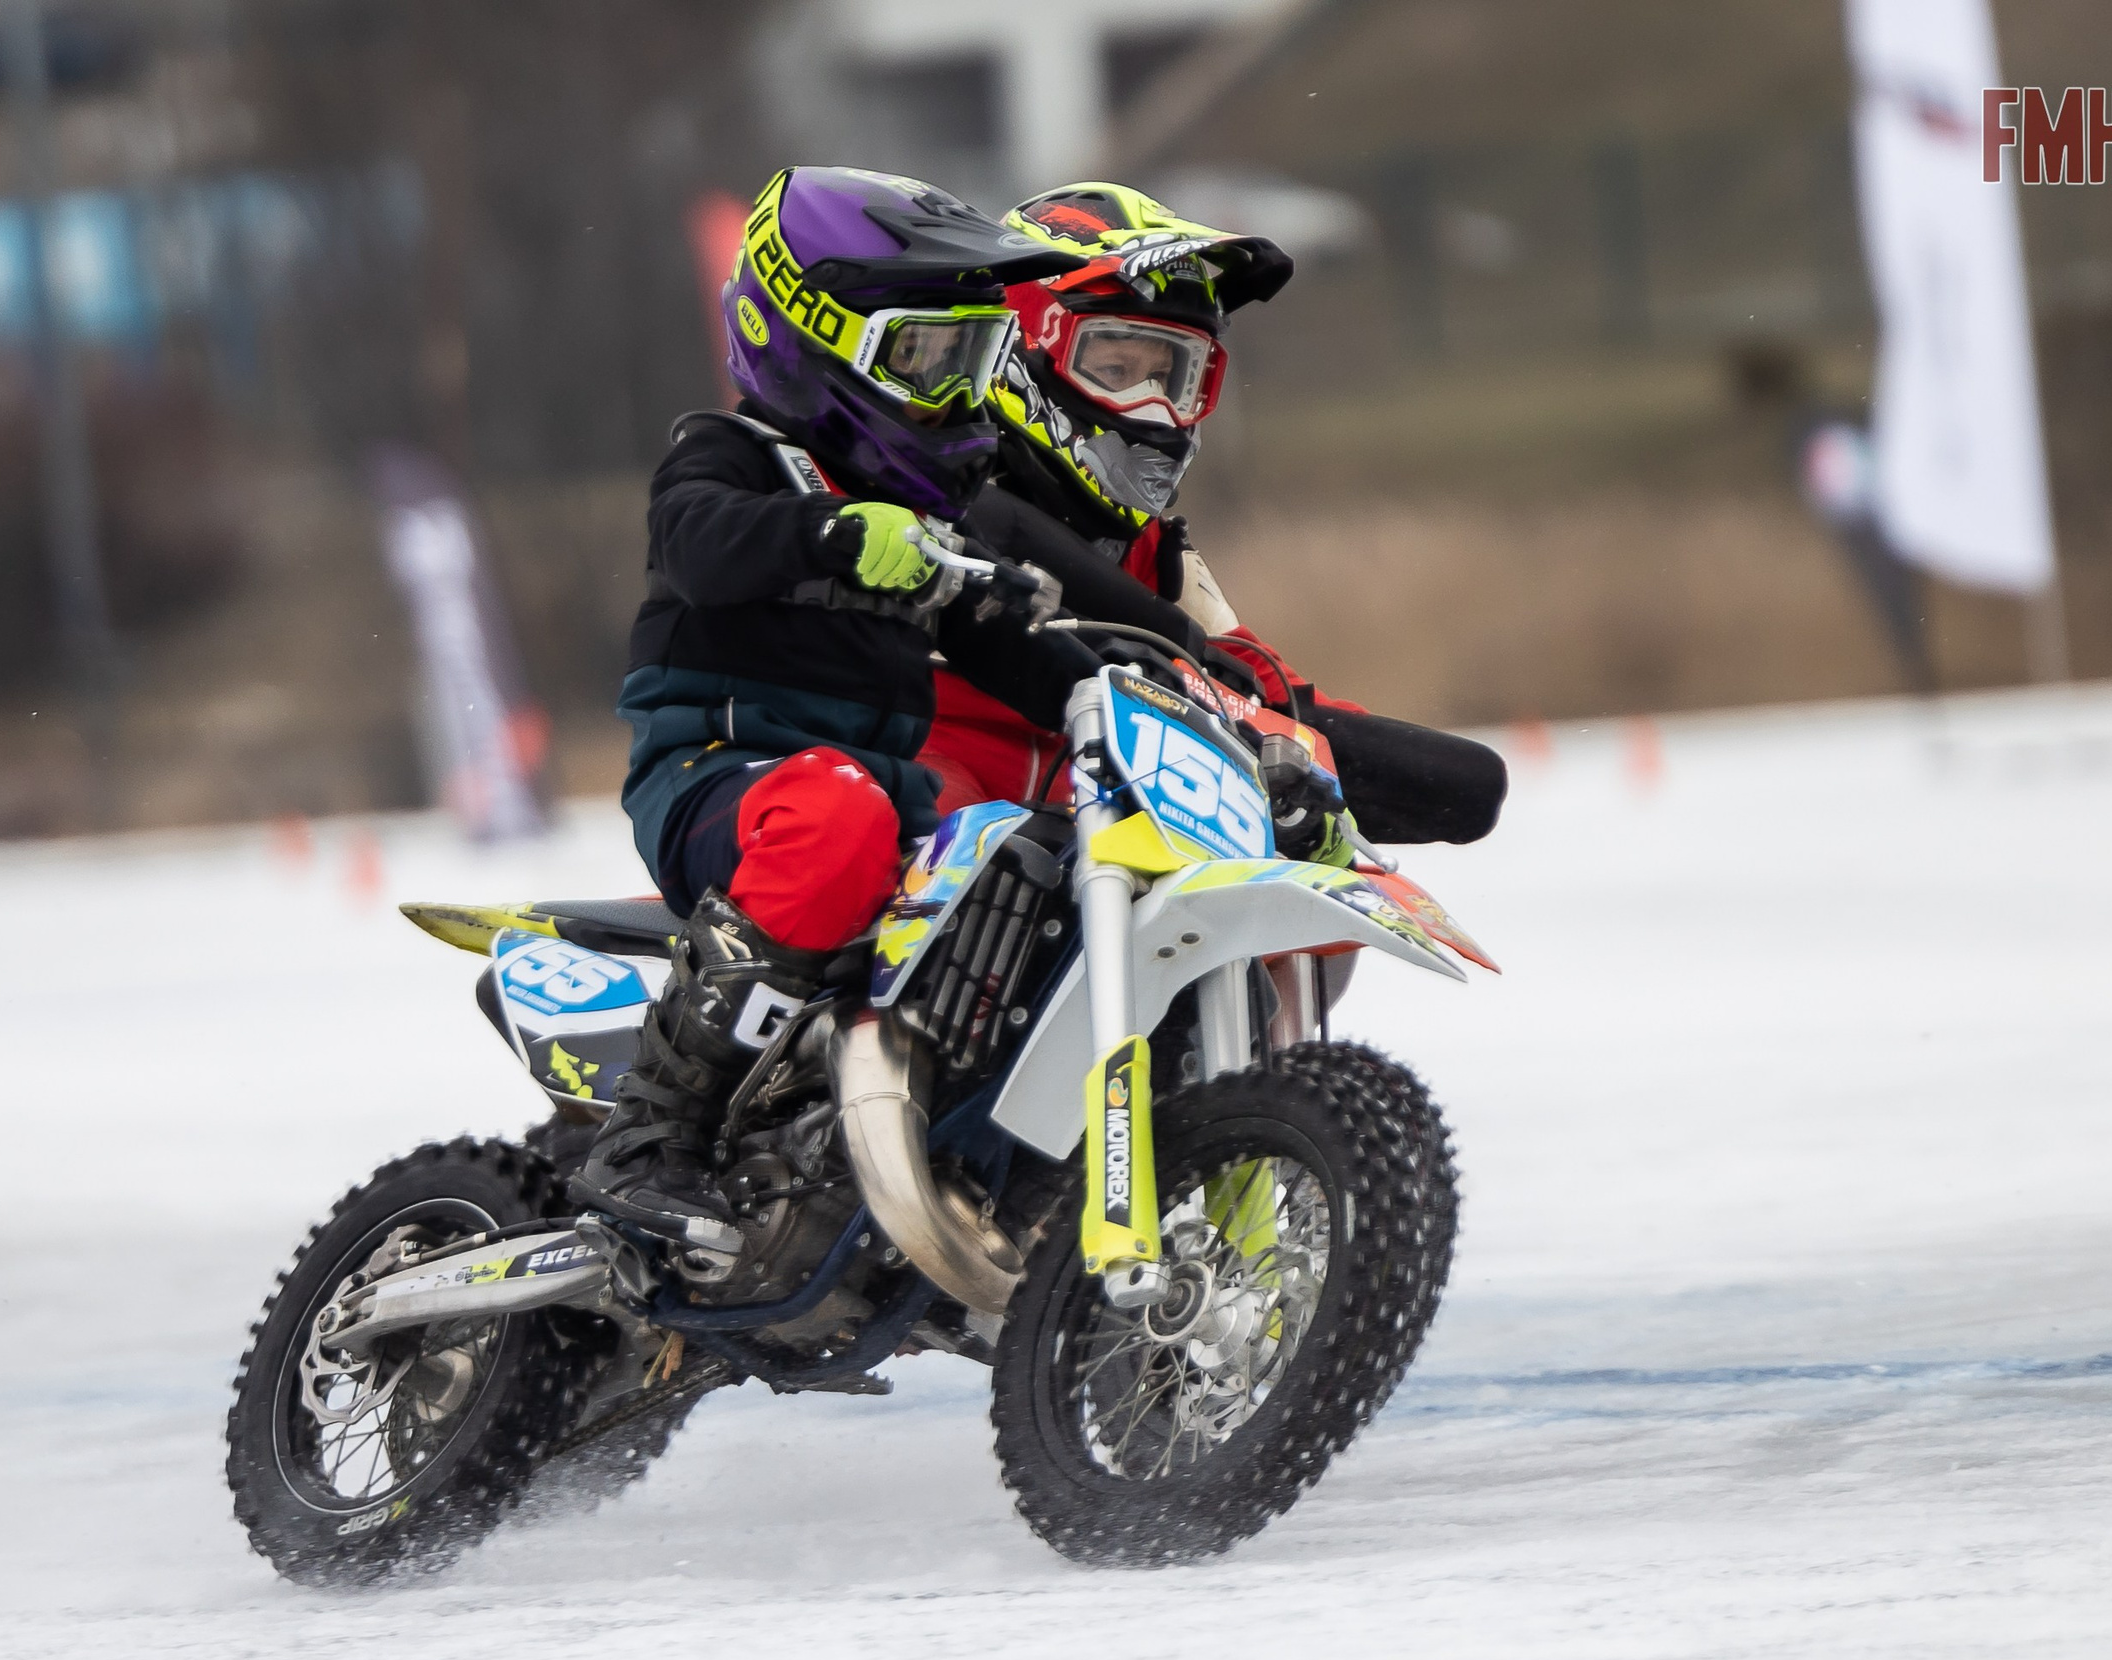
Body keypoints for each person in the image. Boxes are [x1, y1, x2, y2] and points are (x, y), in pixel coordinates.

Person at [570, 167, 1089, 1248]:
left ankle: (973, 1153)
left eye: (971, 362)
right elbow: (700, 544)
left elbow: (1021, 663)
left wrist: (1132, 696)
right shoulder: (732, 458)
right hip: (721, 780)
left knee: (1034, 866)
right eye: (922, 357)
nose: (948, 392)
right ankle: (651, 1135)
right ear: (809, 336)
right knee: (835, 813)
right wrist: (836, 536)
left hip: (875, 806)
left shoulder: (925, 523)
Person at [925, 182, 1507, 851]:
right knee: (953, 833)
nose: (1152, 407)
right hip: (935, 799)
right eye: (1116, 367)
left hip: (1091, 822)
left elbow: (1255, 687)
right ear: (1023, 347)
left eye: (1172, 376)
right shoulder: (925, 480)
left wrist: (1413, 777)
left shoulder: (1145, 550)